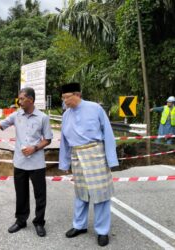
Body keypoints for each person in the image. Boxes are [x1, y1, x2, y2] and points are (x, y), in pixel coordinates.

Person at [0, 87, 53, 237]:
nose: (19, 101)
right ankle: (20, 220)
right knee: (21, 193)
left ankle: (39, 222)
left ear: (31, 100)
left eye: (21, 99)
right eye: (19, 98)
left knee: (40, 195)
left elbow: (48, 139)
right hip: (20, 162)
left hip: (37, 163)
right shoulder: (16, 115)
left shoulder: (42, 118)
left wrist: (35, 148)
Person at [59, 82, 118, 247]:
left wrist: (111, 159)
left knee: (101, 195)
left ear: (77, 95)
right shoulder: (65, 115)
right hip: (76, 156)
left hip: (96, 154)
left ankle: (102, 231)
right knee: (81, 194)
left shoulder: (95, 108)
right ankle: (79, 226)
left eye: (66, 97)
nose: (64, 101)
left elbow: (108, 133)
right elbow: (64, 141)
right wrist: (65, 163)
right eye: (62, 98)